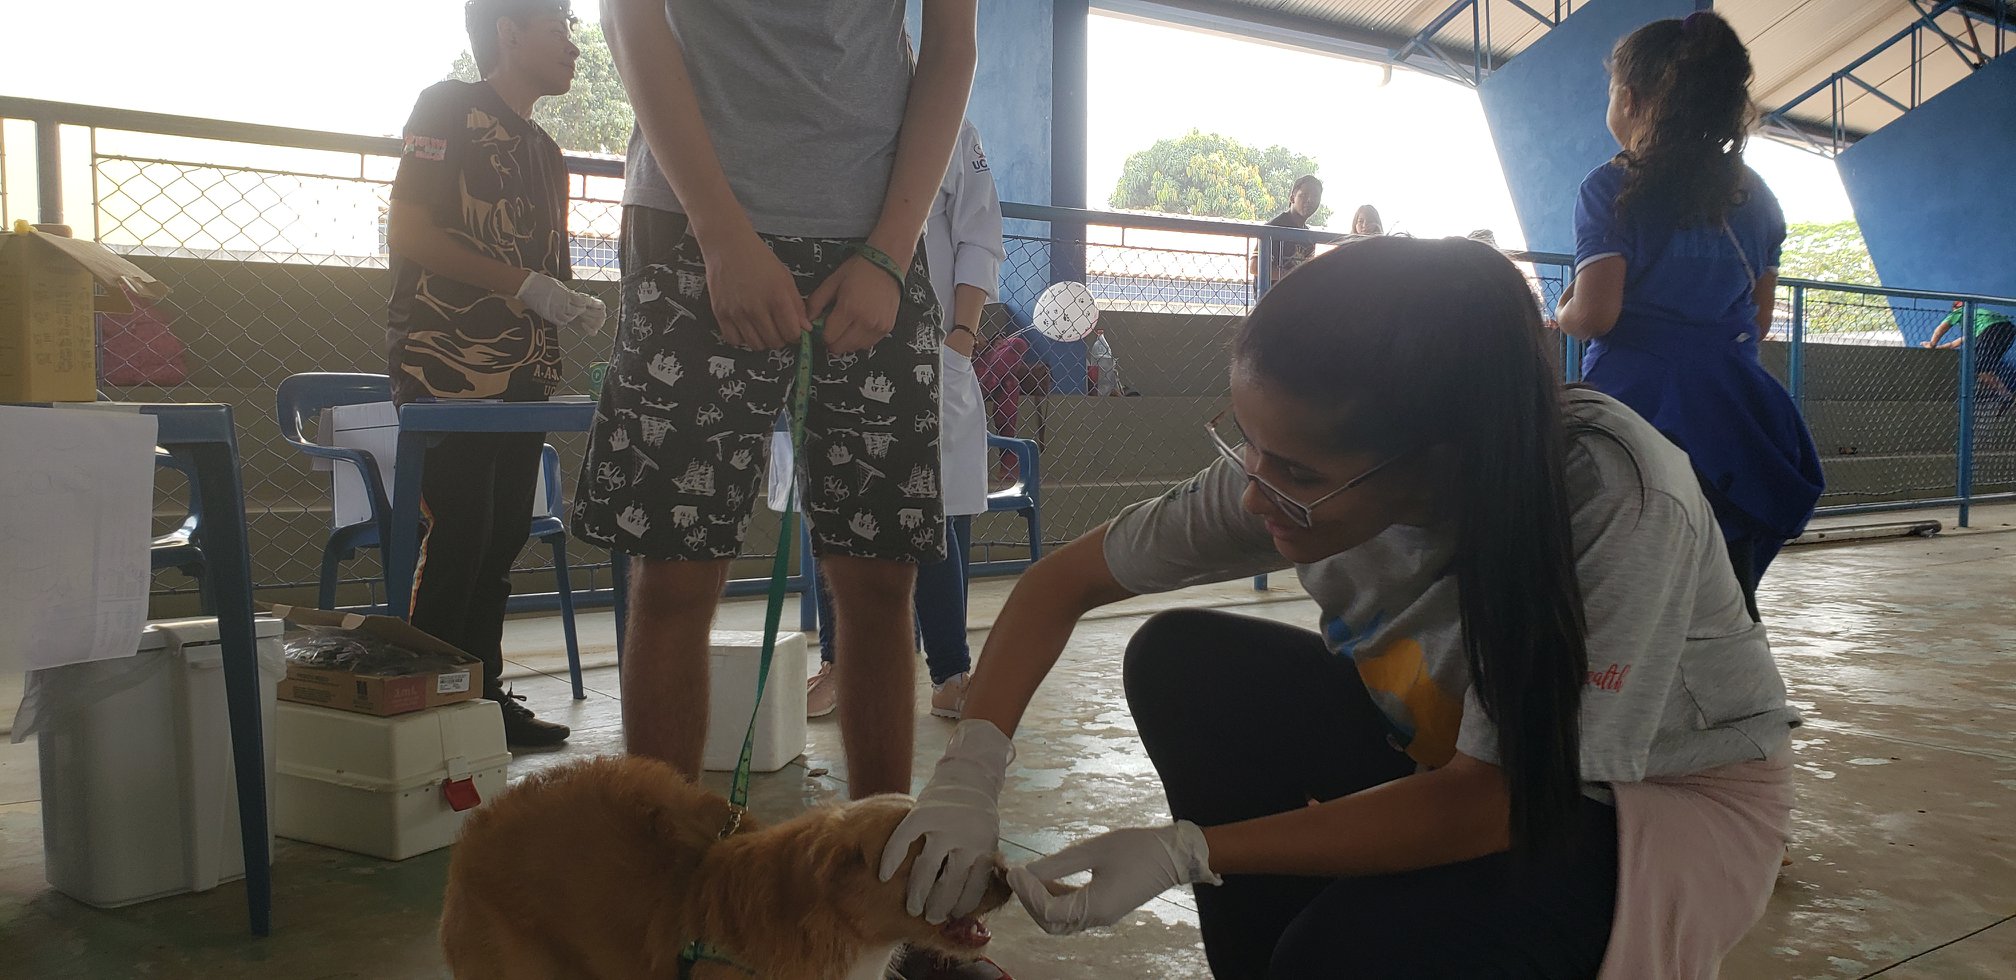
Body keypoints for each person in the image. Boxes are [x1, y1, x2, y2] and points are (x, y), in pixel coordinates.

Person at [883, 236, 1799, 978]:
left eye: (1293, 470)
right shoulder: (1295, 469)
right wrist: (970, 776)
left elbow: (1500, 801)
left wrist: (1191, 851)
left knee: (1348, 956)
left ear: (1439, 458)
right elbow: (1060, 583)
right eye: (1248, 445)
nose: (1254, 492)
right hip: (1444, 757)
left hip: (1637, 807)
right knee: (1183, 663)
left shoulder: (1612, 497)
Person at [576, 0, 975, 794]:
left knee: (880, 578)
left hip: (875, 240)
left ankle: (877, 848)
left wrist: (891, 252)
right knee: (675, 572)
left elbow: (951, 45)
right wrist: (721, 233)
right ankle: (663, 856)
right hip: (693, 224)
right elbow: (628, 15)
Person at [1554, 10, 1822, 622]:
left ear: (1629, 97)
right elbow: (1759, 319)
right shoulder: (1758, 196)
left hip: (1638, 406)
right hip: (1735, 409)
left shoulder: (1610, 186)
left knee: (1623, 585)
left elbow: (1597, 314)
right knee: (1727, 589)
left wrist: (1564, 310)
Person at [386, 0, 604, 748]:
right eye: (559, 27)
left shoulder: (546, 150)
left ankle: (481, 698)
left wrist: (563, 301)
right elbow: (408, 231)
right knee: (461, 533)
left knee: (505, 531)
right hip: (445, 364)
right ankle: (429, 708)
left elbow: (540, 268)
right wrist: (522, 284)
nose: (573, 46)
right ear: (509, 32)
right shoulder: (446, 106)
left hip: (525, 370)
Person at [804, 117, 1006, 722]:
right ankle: (839, 663)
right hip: (836, 333)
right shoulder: (830, 109)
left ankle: (951, 672)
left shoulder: (952, 125)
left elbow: (979, 233)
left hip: (933, 343)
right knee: (832, 498)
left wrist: (961, 337)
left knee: (933, 503)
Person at [1923, 300, 2016, 410]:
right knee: (1985, 365)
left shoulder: (1959, 312)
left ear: (1955, 307)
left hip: (1990, 330)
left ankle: (2007, 396)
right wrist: (1939, 348)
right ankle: (2004, 394)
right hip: (2009, 330)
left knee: (1978, 367)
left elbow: (1942, 328)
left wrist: (1932, 344)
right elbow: (1955, 343)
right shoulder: (1976, 318)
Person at [1252, 175, 1323, 285]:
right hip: (1272, 293)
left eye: (1315, 196)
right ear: (1292, 198)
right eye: (1304, 195)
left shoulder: (1308, 236)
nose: (1310, 200)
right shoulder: (1274, 227)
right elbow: (1255, 267)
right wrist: (1292, 275)